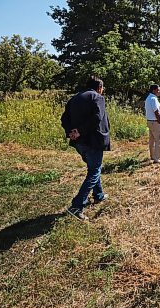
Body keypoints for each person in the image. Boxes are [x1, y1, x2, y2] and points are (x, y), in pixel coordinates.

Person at [61, 76, 110, 221]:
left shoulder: (74, 98)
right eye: (102, 89)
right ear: (99, 87)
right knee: (94, 171)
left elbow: (64, 118)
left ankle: (99, 195)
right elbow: (97, 118)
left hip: (79, 142)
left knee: (94, 167)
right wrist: (80, 131)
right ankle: (77, 206)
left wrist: (71, 132)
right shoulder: (97, 97)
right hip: (93, 141)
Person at [145, 84, 160, 163]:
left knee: (152, 140)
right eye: (158, 90)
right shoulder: (153, 99)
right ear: (154, 90)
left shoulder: (148, 98)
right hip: (155, 122)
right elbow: (156, 111)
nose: (159, 91)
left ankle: (152, 156)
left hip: (150, 121)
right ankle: (157, 158)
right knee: (158, 140)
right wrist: (159, 121)